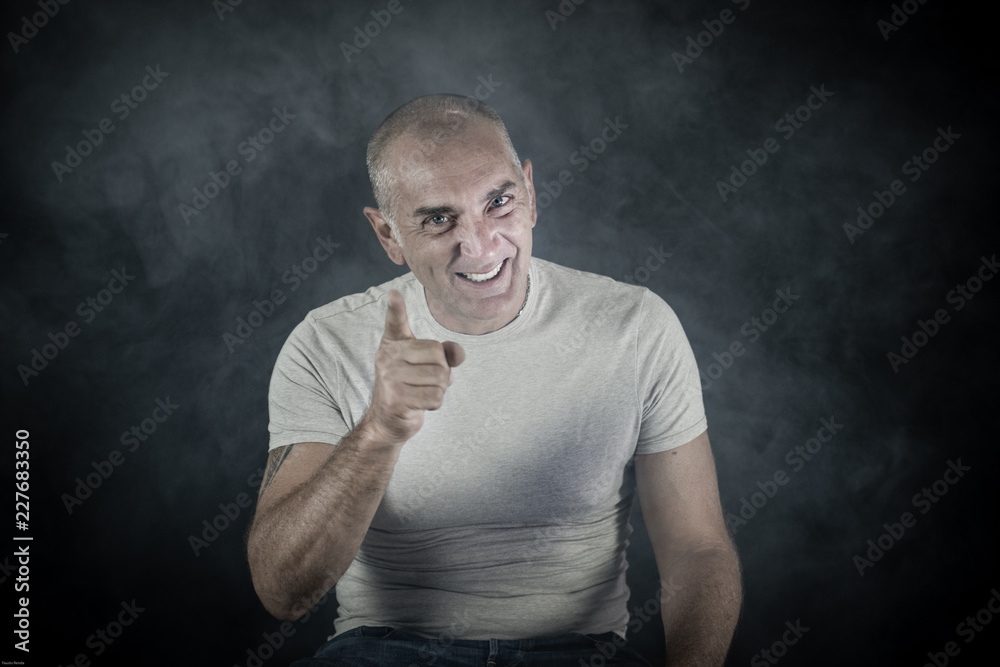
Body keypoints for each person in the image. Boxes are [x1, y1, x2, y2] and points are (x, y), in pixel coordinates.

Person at [245, 94, 742, 666]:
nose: (480, 245)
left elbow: (698, 549)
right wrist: (379, 432)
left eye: (499, 202)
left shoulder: (635, 325)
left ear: (530, 194)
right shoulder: (325, 344)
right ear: (388, 236)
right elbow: (283, 593)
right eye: (437, 218)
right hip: (387, 651)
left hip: (578, 652)